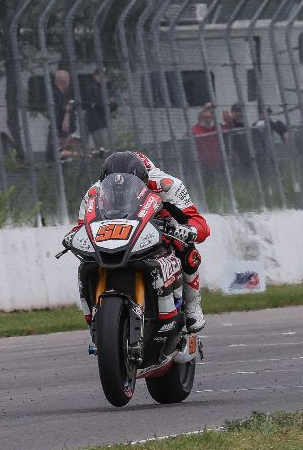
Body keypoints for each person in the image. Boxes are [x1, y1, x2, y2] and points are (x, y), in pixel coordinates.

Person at [76, 151, 210, 332]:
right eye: (114, 189)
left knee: (188, 252)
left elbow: (199, 223)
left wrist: (188, 230)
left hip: (160, 228)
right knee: (87, 260)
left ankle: (193, 306)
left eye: (128, 187)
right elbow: (81, 227)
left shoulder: (166, 185)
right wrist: (74, 236)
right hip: (114, 234)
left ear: (144, 180)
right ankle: (94, 315)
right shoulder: (94, 193)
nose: (120, 192)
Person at [191, 102, 223, 171]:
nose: (210, 111)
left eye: (212, 110)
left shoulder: (218, 127)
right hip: (202, 164)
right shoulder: (195, 129)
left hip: (218, 162)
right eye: (208, 109)